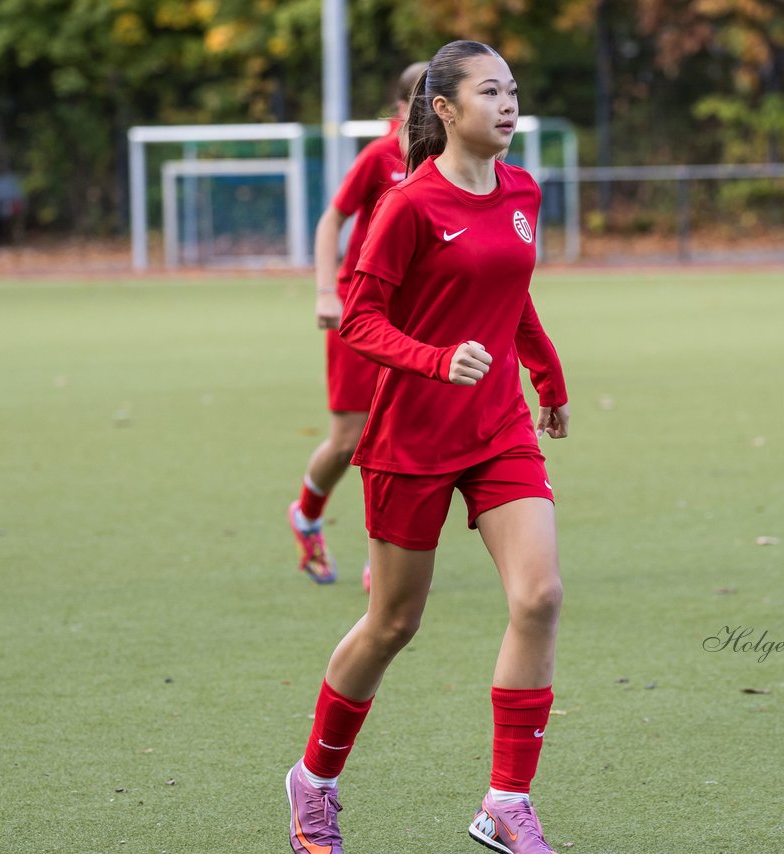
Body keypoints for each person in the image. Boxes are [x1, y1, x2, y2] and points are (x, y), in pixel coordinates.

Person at [285, 40, 570, 854]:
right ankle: (315, 781)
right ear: (444, 109)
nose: (509, 105)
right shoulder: (407, 204)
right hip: (411, 436)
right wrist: (437, 360)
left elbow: (511, 297)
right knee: (393, 622)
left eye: (514, 90)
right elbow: (362, 318)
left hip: (498, 429)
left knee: (540, 596)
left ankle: (507, 802)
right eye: (491, 92)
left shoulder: (523, 190)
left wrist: (546, 377)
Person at [288, 61, 428, 588]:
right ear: (400, 108)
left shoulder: (451, 161)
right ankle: (306, 514)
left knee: (408, 432)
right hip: (361, 309)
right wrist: (327, 291)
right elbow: (332, 219)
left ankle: (386, 553)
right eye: (421, 99)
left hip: (414, 318)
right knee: (350, 440)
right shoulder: (381, 155)